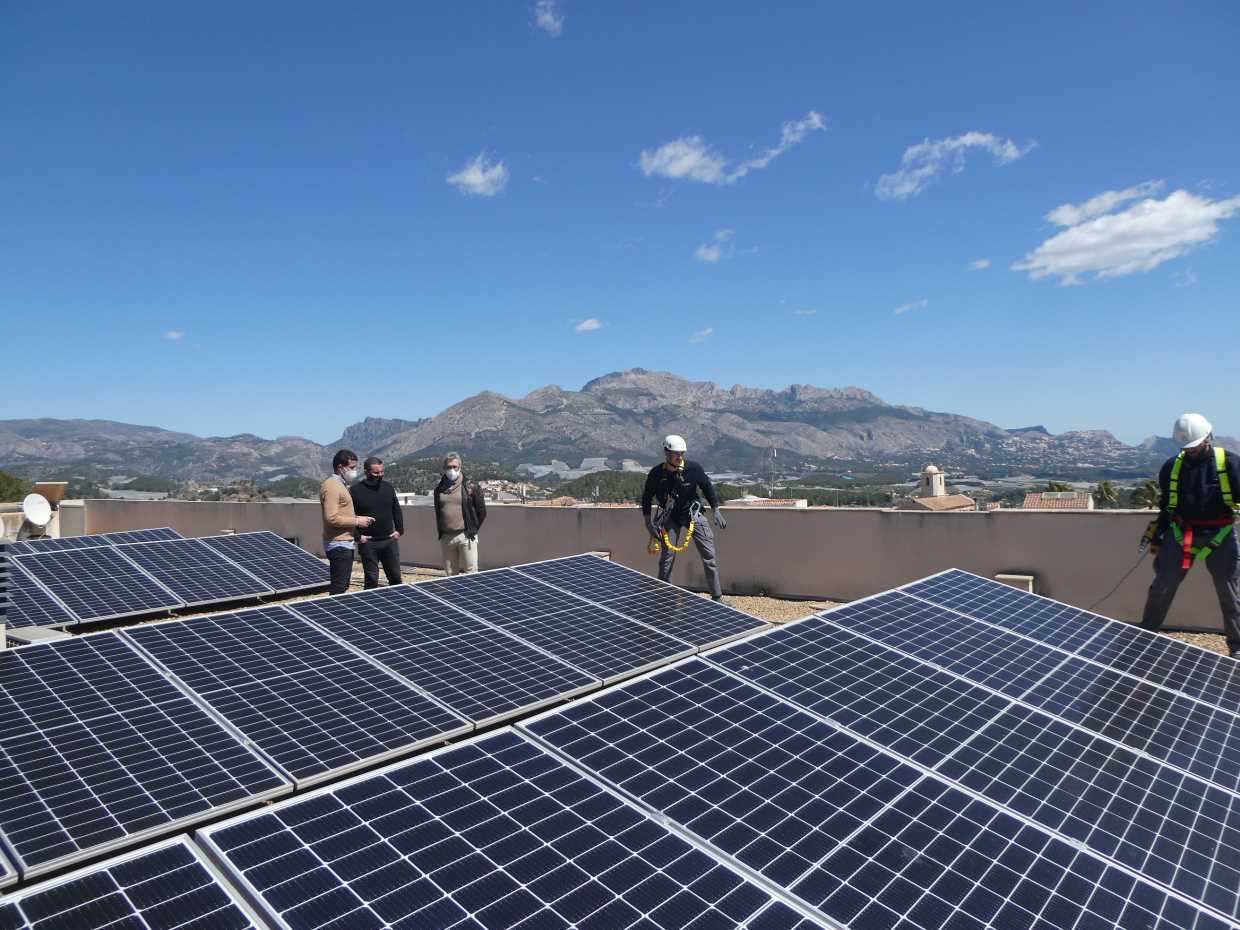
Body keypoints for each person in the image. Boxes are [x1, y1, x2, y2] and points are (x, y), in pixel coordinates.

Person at [1140, 412, 1240, 658]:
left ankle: (1237, 647)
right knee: (1162, 586)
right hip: (1180, 533)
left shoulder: (1229, 464)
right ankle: (1144, 639)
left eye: (1196, 446)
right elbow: (1167, 504)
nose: (1192, 451)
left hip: (1220, 534)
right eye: (1188, 448)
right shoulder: (1173, 466)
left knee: (1230, 592)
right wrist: (1158, 532)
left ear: (1208, 437)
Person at [641, 434, 727, 600]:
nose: (679, 457)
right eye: (676, 453)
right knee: (667, 558)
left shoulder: (693, 469)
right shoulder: (657, 474)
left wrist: (716, 509)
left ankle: (717, 596)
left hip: (692, 513)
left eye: (682, 453)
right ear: (666, 453)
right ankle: (664, 596)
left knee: (709, 556)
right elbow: (646, 497)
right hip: (670, 516)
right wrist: (648, 523)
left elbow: (707, 487)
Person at [319, 449, 374, 595]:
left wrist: (358, 536)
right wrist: (357, 521)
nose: (354, 471)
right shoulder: (331, 487)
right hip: (338, 544)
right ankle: (332, 615)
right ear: (340, 467)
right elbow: (331, 518)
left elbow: (344, 514)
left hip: (345, 542)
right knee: (339, 587)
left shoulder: (340, 485)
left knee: (343, 585)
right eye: (351, 468)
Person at [349, 456, 404, 589]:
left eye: (382, 472)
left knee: (395, 577)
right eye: (376, 473)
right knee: (371, 580)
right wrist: (358, 537)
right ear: (367, 472)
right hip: (368, 543)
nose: (379, 475)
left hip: (389, 540)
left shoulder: (388, 488)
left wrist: (399, 530)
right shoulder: (355, 491)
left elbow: (396, 509)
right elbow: (350, 517)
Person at [433, 452, 487, 576]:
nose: (451, 470)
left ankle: (471, 595)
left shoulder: (471, 487)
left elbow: (482, 512)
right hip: (446, 537)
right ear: (444, 469)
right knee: (450, 574)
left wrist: (472, 529)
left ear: (460, 467)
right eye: (449, 467)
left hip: (466, 536)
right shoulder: (439, 489)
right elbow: (438, 511)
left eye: (454, 467)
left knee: (471, 572)